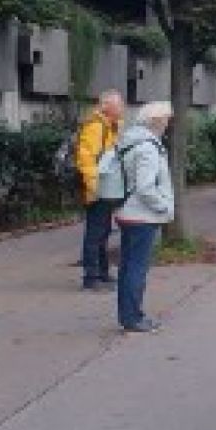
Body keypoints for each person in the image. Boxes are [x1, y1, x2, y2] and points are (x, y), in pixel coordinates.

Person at [113, 101, 175, 333]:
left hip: (126, 211)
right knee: (137, 268)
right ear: (157, 121)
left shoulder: (129, 141)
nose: (168, 123)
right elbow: (146, 187)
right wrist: (163, 207)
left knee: (127, 267)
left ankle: (127, 315)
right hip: (142, 215)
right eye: (167, 119)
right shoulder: (148, 147)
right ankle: (134, 318)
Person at [75, 90, 124, 291]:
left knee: (103, 232)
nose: (122, 108)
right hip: (97, 189)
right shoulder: (96, 127)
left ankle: (102, 273)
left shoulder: (111, 126)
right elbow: (86, 160)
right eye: (118, 104)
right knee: (95, 233)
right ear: (106, 107)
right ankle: (91, 277)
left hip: (106, 188)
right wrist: (93, 187)